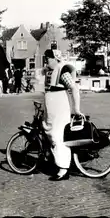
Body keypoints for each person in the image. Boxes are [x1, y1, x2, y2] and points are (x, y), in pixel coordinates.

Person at [42, 48, 83, 181]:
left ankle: (63, 169)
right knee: (50, 133)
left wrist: (76, 109)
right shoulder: (52, 70)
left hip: (59, 108)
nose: (46, 61)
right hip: (52, 108)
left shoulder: (62, 70)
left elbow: (74, 88)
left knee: (57, 136)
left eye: (47, 58)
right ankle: (54, 160)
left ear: (55, 58)